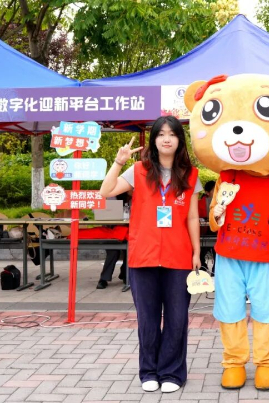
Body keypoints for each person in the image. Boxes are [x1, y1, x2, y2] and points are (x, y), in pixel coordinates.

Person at [100, 116, 203, 394]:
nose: (166, 139)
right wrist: (118, 162)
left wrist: (197, 252)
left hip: (178, 257)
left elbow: (192, 217)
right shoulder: (138, 170)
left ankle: (172, 372)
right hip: (143, 256)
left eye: (172, 134)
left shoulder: (191, 174)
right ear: (154, 140)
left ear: (180, 140)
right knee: (147, 319)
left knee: (177, 318)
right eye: (161, 134)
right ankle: (149, 371)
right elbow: (106, 192)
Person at [97, 191, 131, 289]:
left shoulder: (134, 198)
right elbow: (103, 215)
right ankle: (104, 278)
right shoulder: (111, 196)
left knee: (130, 249)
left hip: (129, 231)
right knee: (113, 251)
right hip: (111, 230)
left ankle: (125, 274)